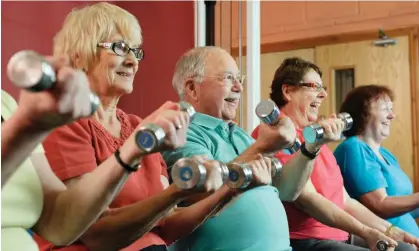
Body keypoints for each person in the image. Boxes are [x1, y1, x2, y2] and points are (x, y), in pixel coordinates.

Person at [34, 3, 238, 251]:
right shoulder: (65, 123)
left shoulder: (136, 126)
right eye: (120, 48)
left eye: (135, 51)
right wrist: (175, 193)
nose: (132, 61)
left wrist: (228, 191)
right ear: (79, 55)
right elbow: (95, 233)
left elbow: (168, 224)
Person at [162, 46, 347, 251]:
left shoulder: (239, 134)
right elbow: (202, 191)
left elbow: (287, 191)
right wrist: (263, 147)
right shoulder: (182, 131)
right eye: (228, 78)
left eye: (239, 79)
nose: (239, 88)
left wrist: (310, 148)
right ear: (192, 88)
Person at [252, 57, 418, 251]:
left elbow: (345, 200)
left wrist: (390, 231)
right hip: (306, 239)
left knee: (405, 249)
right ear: (287, 91)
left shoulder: (313, 137)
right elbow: (306, 200)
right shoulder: (275, 133)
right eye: (314, 86)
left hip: (338, 235)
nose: (322, 95)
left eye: (323, 89)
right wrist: (366, 232)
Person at [1, 53, 131, 251]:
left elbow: (57, 223)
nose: (132, 61)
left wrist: (132, 152)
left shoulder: (5, 104)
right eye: (119, 48)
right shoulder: (24, 121)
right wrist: (28, 126)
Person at [334, 85, 419, 237]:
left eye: (391, 109)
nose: (392, 115)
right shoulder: (353, 148)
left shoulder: (385, 154)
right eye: (385, 108)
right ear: (362, 113)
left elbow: (400, 213)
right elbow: (380, 205)